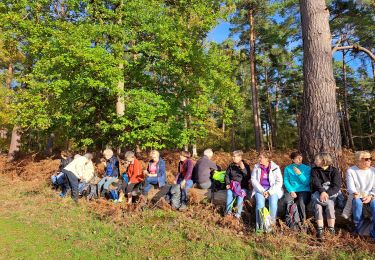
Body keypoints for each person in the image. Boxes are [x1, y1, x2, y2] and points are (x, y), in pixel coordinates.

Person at [311, 153, 342, 238]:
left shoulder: (334, 171)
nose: (315, 161)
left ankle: (331, 229)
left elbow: (336, 186)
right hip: (318, 193)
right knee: (317, 207)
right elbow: (316, 183)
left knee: (330, 205)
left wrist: (326, 194)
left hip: (330, 195)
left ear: (324, 160)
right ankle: (320, 230)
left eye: (317, 160)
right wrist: (322, 192)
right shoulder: (314, 170)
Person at [345, 151, 375, 239]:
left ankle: (373, 235)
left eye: (370, 158)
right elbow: (350, 187)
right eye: (366, 159)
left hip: (371, 195)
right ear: (359, 160)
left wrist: (371, 196)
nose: (369, 161)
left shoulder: (373, 171)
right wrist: (355, 194)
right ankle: (356, 232)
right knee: (358, 204)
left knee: (374, 206)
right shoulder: (351, 170)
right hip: (357, 195)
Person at [251, 151, 283, 231]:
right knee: (260, 204)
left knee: (273, 203)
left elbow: (279, 182)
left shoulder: (275, 167)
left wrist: (269, 192)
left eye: (261, 157)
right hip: (260, 189)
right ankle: (260, 227)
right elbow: (253, 179)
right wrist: (262, 191)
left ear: (267, 159)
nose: (259, 159)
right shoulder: (256, 167)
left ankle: (271, 227)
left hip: (272, 190)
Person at [283, 151, 311, 223]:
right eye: (297, 158)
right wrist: (291, 191)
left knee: (301, 203)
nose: (299, 159)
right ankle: (290, 223)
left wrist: (300, 174)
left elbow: (306, 182)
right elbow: (286, 181)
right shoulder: (288, 168)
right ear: (292, 160)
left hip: (304, 190)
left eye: (300, 157)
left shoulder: (307, 168)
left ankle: (303, 223)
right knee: (288, 201)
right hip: (292, 190)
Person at [224, 150, 250, 219]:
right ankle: (228, 213)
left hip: (242, 187)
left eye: (234, 156)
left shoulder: (246, 165)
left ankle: (237, 215)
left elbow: (248, 178)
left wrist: (243, 169)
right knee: (229, 193)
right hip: (232, 186)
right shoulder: (231, 166)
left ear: (240, 157)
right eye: (233, 156)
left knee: (240, 197)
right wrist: (227, 183)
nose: (233, 158)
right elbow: (227, 176)